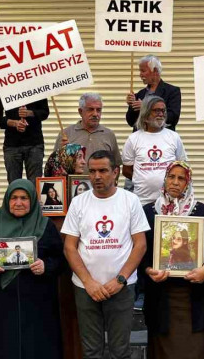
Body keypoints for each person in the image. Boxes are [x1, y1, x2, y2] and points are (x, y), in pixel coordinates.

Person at [62, 150, 150, 359]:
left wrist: (120, 280)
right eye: (92, 171)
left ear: (116, 172)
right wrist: (89, 282)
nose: (97, 176)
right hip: (86, 289)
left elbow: (140, 245)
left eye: (103, 170)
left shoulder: (130, 201)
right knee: (91, 350)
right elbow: (69, 247)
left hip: (122, 287)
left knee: (120, 351)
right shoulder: (78, 202)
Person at [0, 179, 64, 359]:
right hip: (2, 305)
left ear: (32, 199)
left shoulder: (46, 226)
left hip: (38, 305)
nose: (19, 202)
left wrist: (46, 266)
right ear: (7, 200)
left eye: (24, 198)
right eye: (14, 198)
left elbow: (60, 259)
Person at [140, 161, 204, 359]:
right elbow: (141, 249)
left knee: (198, 348)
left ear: (188, 182)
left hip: (195, 295)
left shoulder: (200, 210)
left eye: (181, 178)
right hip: (162, 295)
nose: (175, 182)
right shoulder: (150, 211)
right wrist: (149, 270)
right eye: (171, 177)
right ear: (165, 179)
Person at [123, 95, 187, 205]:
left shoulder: (174, 137)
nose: (161, 114)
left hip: (169, 202)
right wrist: (144, 178)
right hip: (142, 201)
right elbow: (127, 170)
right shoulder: (133, 139)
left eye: (163, 110)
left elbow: (183, 167)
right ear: (146, 113)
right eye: (156, 111)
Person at [0, 85, 50, 182]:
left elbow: (45, 112)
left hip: (34, 142)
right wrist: (14, 123)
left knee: (34, 185)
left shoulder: (37, 84)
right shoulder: (2, 87)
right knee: (14, 185)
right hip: (12, 143)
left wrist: (30, 113)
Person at [53, 93, 122, 172]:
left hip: (101, 184)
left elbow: (116, 166)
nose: (95, 114)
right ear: (80, 111)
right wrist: (62, 153)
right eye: (90, 109)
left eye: (98, 110)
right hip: (74, 183)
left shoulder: (109, 134)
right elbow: (55, 166)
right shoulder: (66, 134)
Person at [125, 55, 181, 131]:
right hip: (142, 140)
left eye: (143, 71)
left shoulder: (172, 91)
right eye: (140, 71)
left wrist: (146, 107)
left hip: (162, 139)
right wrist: (132, 105)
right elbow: (131, 122)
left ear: (155, 71)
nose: (140, 75)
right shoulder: (140, 94)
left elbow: (172, 119)